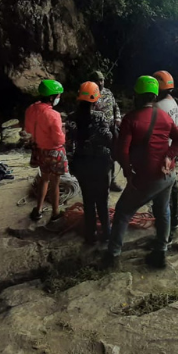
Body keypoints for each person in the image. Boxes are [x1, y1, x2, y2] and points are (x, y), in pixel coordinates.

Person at [104, 76, 178, 269]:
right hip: (167, 175)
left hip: (146, 177)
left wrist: (127, 171)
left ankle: (113, 256)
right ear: (155, 96)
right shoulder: (164, 116)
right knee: (163, 210)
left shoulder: (131, 118)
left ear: (137, 95)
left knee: (123, 213)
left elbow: (122, 151)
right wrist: (169, 155)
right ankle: (160, 253)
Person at [65, 82, 114, 244]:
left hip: (81, 164)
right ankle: (106, 234)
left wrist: (72, 164)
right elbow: (108, 138)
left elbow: (69, 144)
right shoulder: (100, 117)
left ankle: (90, 235)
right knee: (102, 200)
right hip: (100, 164)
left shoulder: (71, 118)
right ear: (95, 99)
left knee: (88, 200)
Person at [24, 79, 67, 224]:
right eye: (58, 95)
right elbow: (59, 140)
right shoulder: (53, 115)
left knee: (44, 179)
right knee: (55, 183)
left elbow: (29, 129)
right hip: (54, 152)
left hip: (40, 150)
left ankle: (38, 210)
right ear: (51, 97)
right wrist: (64, 132)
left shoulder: (31, 109)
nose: (58, 98)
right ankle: (55, 213)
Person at [153, 70, 178, 242]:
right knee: (173, 188)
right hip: (171, 152)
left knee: (162, 198)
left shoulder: (158, 107)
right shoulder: (173, 103)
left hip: (162, 154)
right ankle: (175, 221)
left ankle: (165, 235)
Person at [91, 70, 123, 192]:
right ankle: (98, 183)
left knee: (112, 155)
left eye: (101, 80)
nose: (100, 83)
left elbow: (116, 107)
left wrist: (118, 118)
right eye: (97, 80)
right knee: (99, 158)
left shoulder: (108, 93)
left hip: (111, 128)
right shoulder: (89, 94)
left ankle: (112, 181)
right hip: (97, 132)